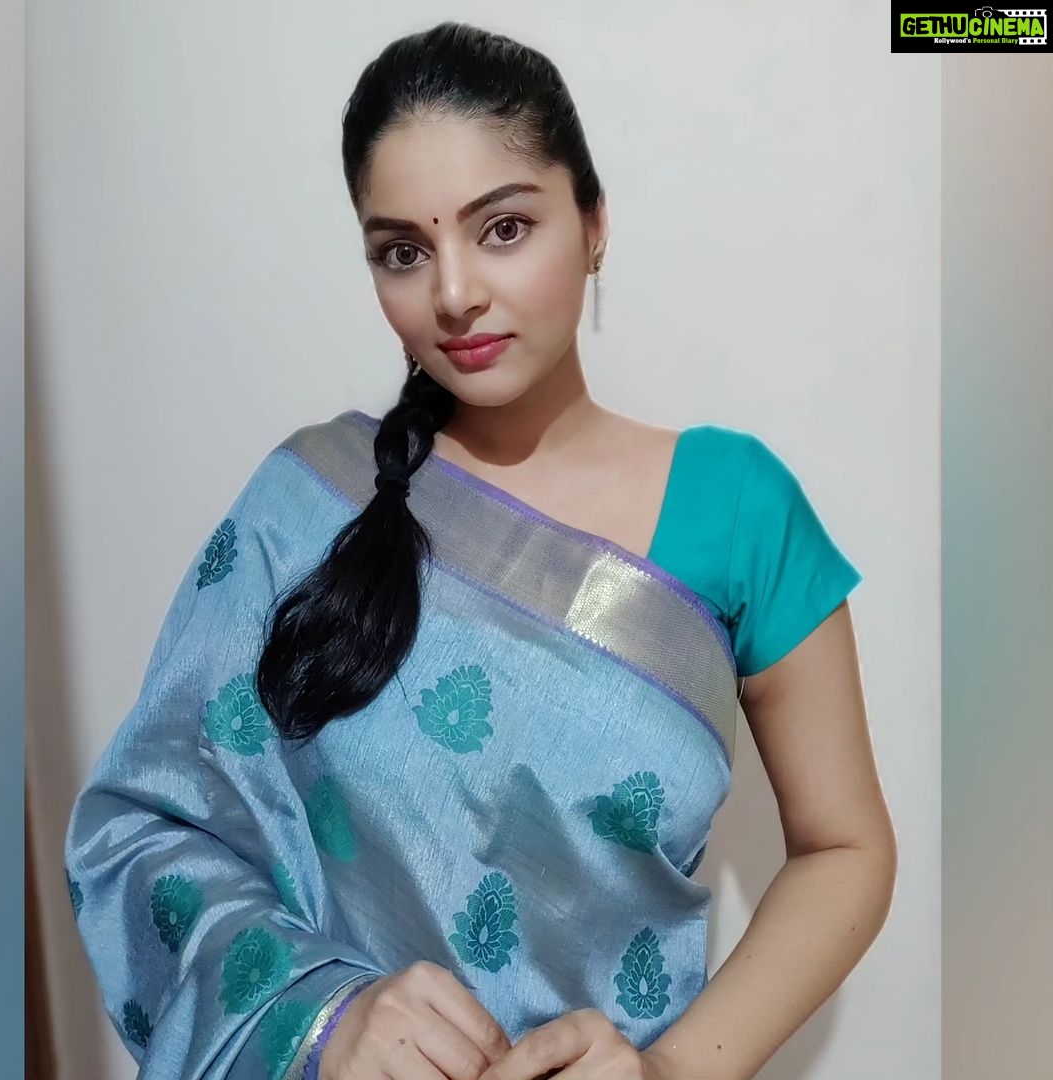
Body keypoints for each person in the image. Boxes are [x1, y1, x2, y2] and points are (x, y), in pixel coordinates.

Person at [64, 20, 897, 1080]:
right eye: (403, 252)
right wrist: (327, 1019)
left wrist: (671, 1070)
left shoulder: (737, 508)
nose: (453, 293)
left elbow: (845, 847)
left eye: (503, 228)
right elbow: (142, 828)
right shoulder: (308, 502)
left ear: (594, 224)